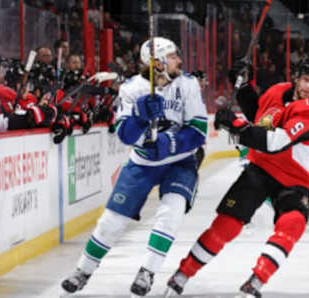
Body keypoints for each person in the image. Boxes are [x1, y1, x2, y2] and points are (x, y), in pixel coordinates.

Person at [164, 58, 309, 298]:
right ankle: (183, 273)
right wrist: (242, 86)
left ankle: (256, 280)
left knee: (293, 222)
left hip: (293, 179)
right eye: (305, 80)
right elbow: (258, 115)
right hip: (261, 168)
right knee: (226, 224)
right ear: (296, 78)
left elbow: (275, 141)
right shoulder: (277, 91)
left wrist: (236, 125)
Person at [61, 37, 208, 296]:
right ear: (158, 62)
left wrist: (167, 142)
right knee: (111, 221)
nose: (180, 61)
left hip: (180, 161)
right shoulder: (132, 88)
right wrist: (140, 117)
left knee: (171, 211)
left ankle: (148, 271)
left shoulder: (187, 84)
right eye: (173, 56)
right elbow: (125, 136)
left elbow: (199, 131)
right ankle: (83, 270)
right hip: (142, 162)